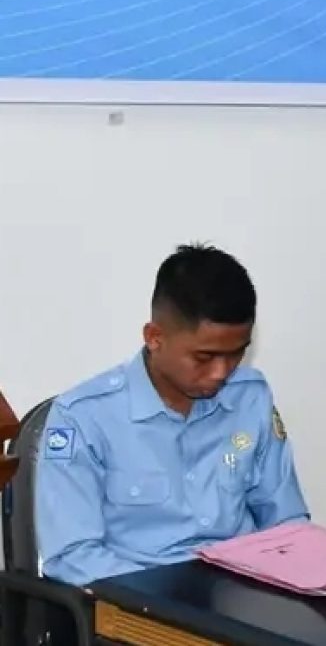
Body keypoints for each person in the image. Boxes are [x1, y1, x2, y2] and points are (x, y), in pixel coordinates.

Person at [35, 245, 309, 587]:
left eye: (236, 353)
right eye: (204, 357)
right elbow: (73, 557)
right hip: (138, 601)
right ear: (155, 338)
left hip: (241, 596)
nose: (221, 372)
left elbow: (288, 525)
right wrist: (167, 605)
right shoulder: (84, 418)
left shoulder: (250, 396)